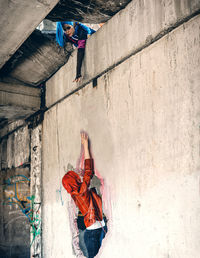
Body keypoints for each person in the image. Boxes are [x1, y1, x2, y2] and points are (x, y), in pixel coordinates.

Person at [62, 132, 107, 258]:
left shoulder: (77, 192)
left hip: (97, 229)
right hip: (93, 233)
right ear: (75, 181)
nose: (79, 176)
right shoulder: (81, 192)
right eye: (76, 176)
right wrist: (86, 146)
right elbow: (88, 170)